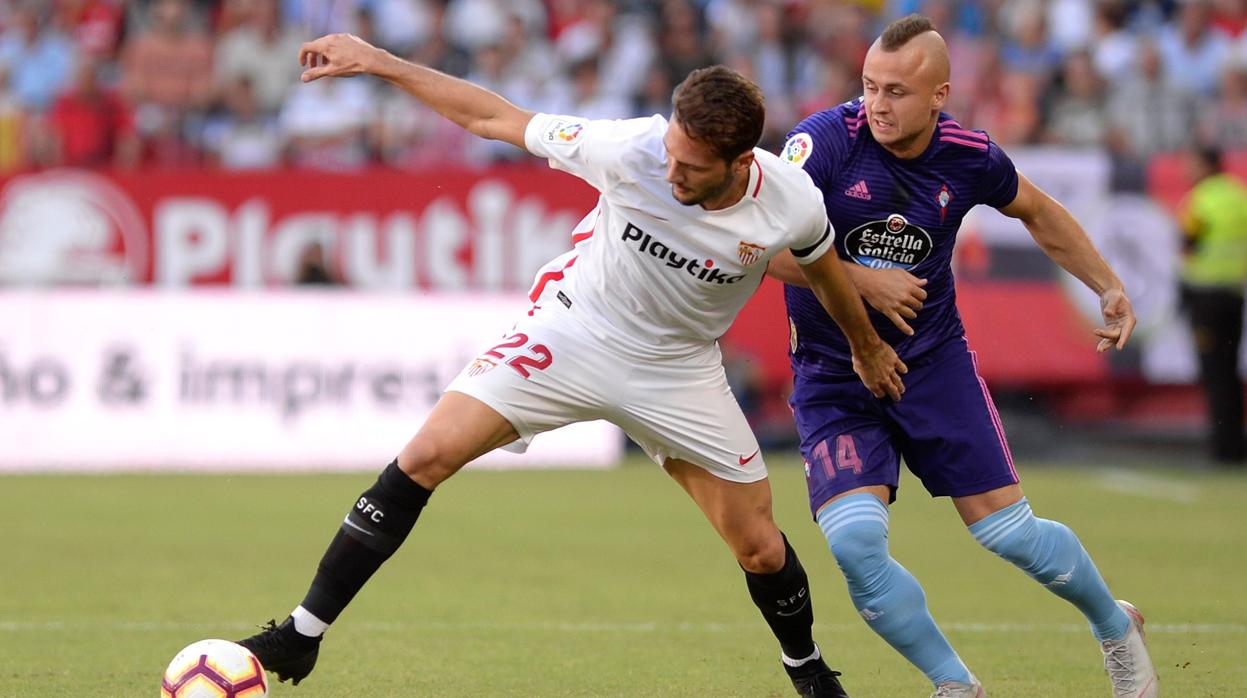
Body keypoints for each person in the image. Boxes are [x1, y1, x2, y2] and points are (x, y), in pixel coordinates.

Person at [236, 32, 910, 698]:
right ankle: (302, 632)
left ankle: (807, 669)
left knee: (759, 545)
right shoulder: (631, 148)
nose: (670, 172)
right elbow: (492, 117)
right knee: (424, 456)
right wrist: (380, 62)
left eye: (689, 167)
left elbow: (820, 269)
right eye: (671, 153)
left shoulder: (791, 200)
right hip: (573, 330)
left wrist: (865, 344)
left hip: (677, 369)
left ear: (738, 163)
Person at [767, 15, 1158, 698]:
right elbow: (759, 246)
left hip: (931, 365)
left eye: (895, 91)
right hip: (833, 372)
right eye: (869, 86)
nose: (877, 104)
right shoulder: (821, 144)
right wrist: (861, 280)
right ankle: (955, 685)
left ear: (939, 95)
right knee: (854, 545)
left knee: (1008, 534)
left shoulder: (968, 154)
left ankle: (1114, 624)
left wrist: (1106, 285)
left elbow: (1037, 210)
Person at [1177, 145, 1247, 465]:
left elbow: (1188, 245)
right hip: (1235, 295)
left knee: (1214, 374)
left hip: (1205, 298)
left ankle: (1223, 448)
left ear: (1206, 165)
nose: (1187, 170)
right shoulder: (1238, 196)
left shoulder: (1200, 200)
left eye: (1191, 164)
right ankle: (1235, 445)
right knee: (1230, 372)